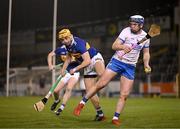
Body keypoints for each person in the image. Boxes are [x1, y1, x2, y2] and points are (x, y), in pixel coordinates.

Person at [73, 15, 151, 126]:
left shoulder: (146, 37)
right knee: (101, 84)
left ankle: (115, 118)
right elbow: (114, 46)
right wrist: (123, 47)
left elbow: (146, 53)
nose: (132, 26)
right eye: (131, 24)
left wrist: (146, 64)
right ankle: (81, 104)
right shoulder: (126, 31)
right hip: (117, 61)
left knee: (124, 95)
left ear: (141, 25)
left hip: (130, 66)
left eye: (135, 24)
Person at [58, 28, 106, 121]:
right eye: (61, 40)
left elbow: (87, 60)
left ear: (70, 36)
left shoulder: (78, 43)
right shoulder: (68, 45)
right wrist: (63, 70)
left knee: (102, 76)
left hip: (94, 58)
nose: (63, 41)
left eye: (65, 38)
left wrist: (75, 69)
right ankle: (100, 114)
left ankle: (113, 69)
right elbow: (68, 58)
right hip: (86, 66)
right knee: (90, 92)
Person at [48, 45, 80, 115]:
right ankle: (57, 101)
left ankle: (61, 107)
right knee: (56, 91)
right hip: (65, 72)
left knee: (69, 88)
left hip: (74, 72)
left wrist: (74, 60)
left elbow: (81, 60)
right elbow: (50, 55)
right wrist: (50, 65)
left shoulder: (76, 48)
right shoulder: (61, 49)